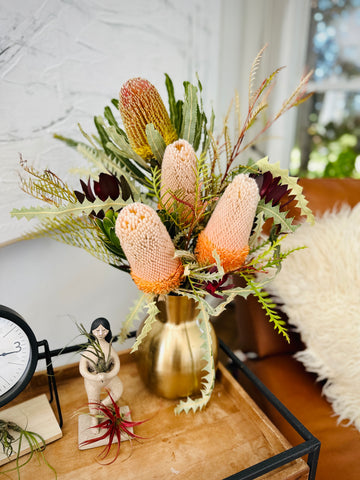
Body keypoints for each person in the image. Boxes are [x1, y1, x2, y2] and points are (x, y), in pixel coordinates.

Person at [79, 318, 123, 430]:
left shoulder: (109, 347)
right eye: (97, 330)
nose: (100, 333)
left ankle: (103, 406)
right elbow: (82, 370)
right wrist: (94, 376)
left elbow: (116, 363)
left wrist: (108, 375)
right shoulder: (89, 350)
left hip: (109, 377)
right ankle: (94, 419)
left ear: (108, 331)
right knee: (93, 400)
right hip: (92, 381)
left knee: (118, 389)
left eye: (104, 330)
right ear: (92, 332)